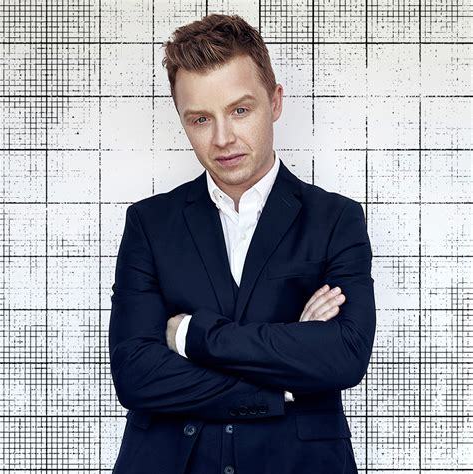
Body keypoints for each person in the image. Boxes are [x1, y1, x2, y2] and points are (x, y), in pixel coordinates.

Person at [109, 13, 376, 474]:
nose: (222, 139)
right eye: (200, 119)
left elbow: (343, 356)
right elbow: (136, 374)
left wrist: (191, 336)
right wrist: (284, 378)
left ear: (274, 102)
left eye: (240, 110)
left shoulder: (337, 220)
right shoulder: (149, 223)